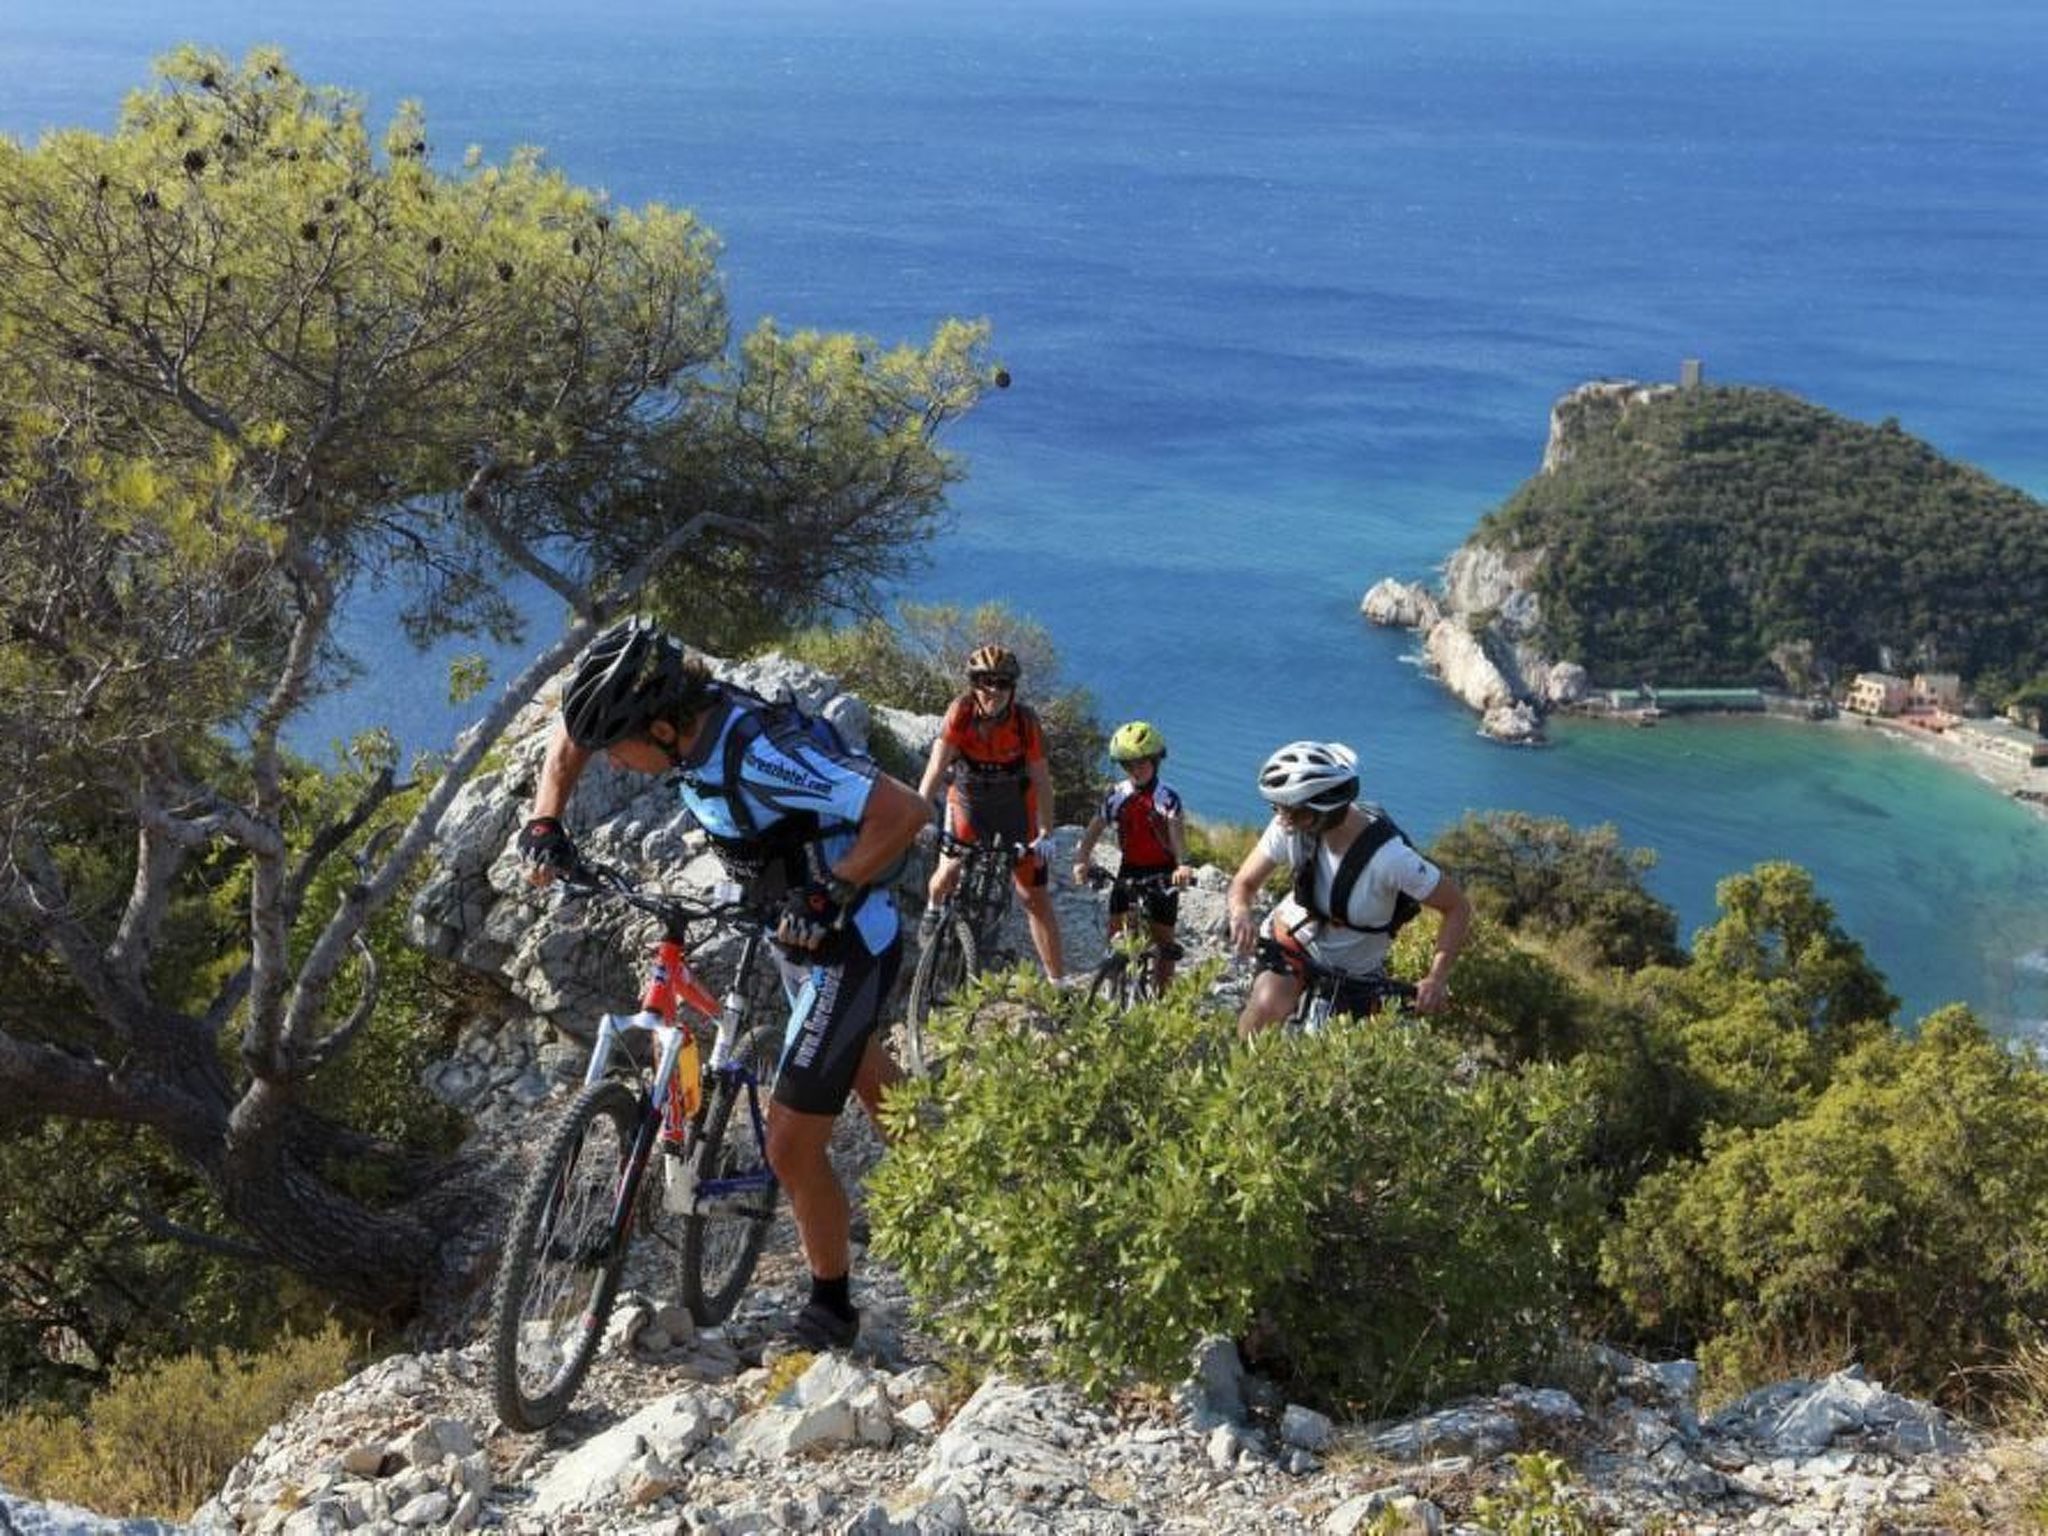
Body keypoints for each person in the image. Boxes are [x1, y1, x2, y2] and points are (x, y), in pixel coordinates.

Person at [516, 617, 928, 1351]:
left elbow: (903, 810)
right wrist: (546, 819)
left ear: (664, 728)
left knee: (789, 1145)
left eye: (621, 748)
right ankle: (949, 1173)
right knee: (861, 1066)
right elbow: (571, 738)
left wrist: (830, 892)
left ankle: (832, 1308)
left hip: (847, 943)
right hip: (790, 932)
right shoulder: (672, 730)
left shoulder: (764, 755)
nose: (612, 763)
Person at [1227, 740, 1471, 1039]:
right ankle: (1239, 1063)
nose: (1283, 820)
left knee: (1335, 1053)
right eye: (1278, 808)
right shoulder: (1291, 827)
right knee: (1266, 1007)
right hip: (1293, 940)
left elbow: (1457, 907)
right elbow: (1244, 883)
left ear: (1325, 809)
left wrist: (1436, 977)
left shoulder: (1391, 860)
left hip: (1356, 970)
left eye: (1294, 812)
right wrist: (1240, 912)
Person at [915, 643, 1067, 981]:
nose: (993, 691)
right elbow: (936, 768)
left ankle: (1058, 984)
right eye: (985, 682)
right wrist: (919, 813)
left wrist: (1046, 832)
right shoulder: (961, 712)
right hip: (969, 801)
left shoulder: (1025, 722)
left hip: (1016, 807)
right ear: (974, 684)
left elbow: (1042, 782)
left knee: (1034, 897)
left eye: (1002, 683)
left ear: (1012, 688)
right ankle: (933, 908)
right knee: (948, 871)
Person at [1070, 720, 1196, 990]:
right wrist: (1082, 859)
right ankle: (1112, 988)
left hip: (1163, 871)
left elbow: (1177, 835)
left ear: (1155, 761)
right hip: (1129, 868)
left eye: (1141, 763)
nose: (1135, 771)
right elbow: (1094, 828)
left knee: (1164, 941)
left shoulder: (1166, 797)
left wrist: (1183, 865)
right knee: (1116, 931)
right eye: (1128, 765)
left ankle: (1162, 999)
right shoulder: (1117, 795)